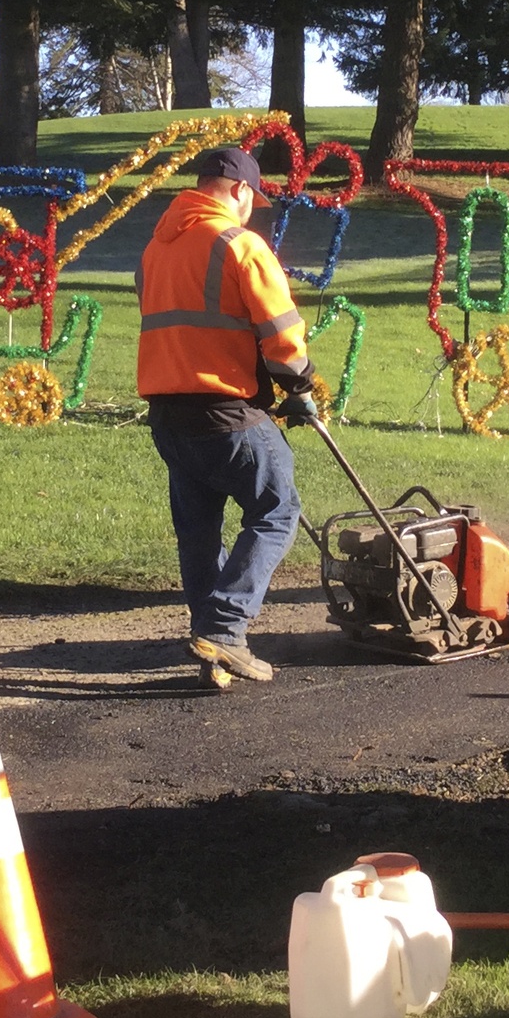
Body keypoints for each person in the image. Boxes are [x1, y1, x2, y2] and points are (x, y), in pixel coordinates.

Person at [137, 145, 320, 688]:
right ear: (239, 189)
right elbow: (282, 335)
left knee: (198, 532)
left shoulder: (155, 249)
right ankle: (225, 627)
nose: (250, 211)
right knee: (278, 509)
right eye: (251, 200)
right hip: (226, 413)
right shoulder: (241, 244)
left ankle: (211, 646)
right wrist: (299, 384)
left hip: (168, 416)